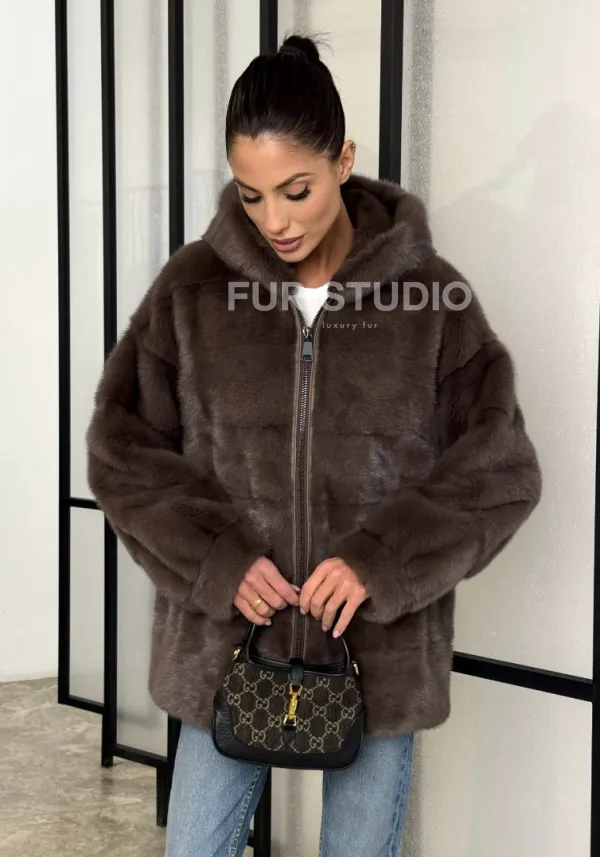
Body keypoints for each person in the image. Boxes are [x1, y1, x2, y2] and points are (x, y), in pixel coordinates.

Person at [86, 33, 542, 857]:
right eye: (251, 195)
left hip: (377, 655)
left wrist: (382, 561)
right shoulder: (193, 290)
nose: (275, 220)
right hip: (223, 645)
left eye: (296, 190)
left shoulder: (427, 296)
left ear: (344, 161)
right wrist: (218, 557)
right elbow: (122, 450)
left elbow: (501, 465)